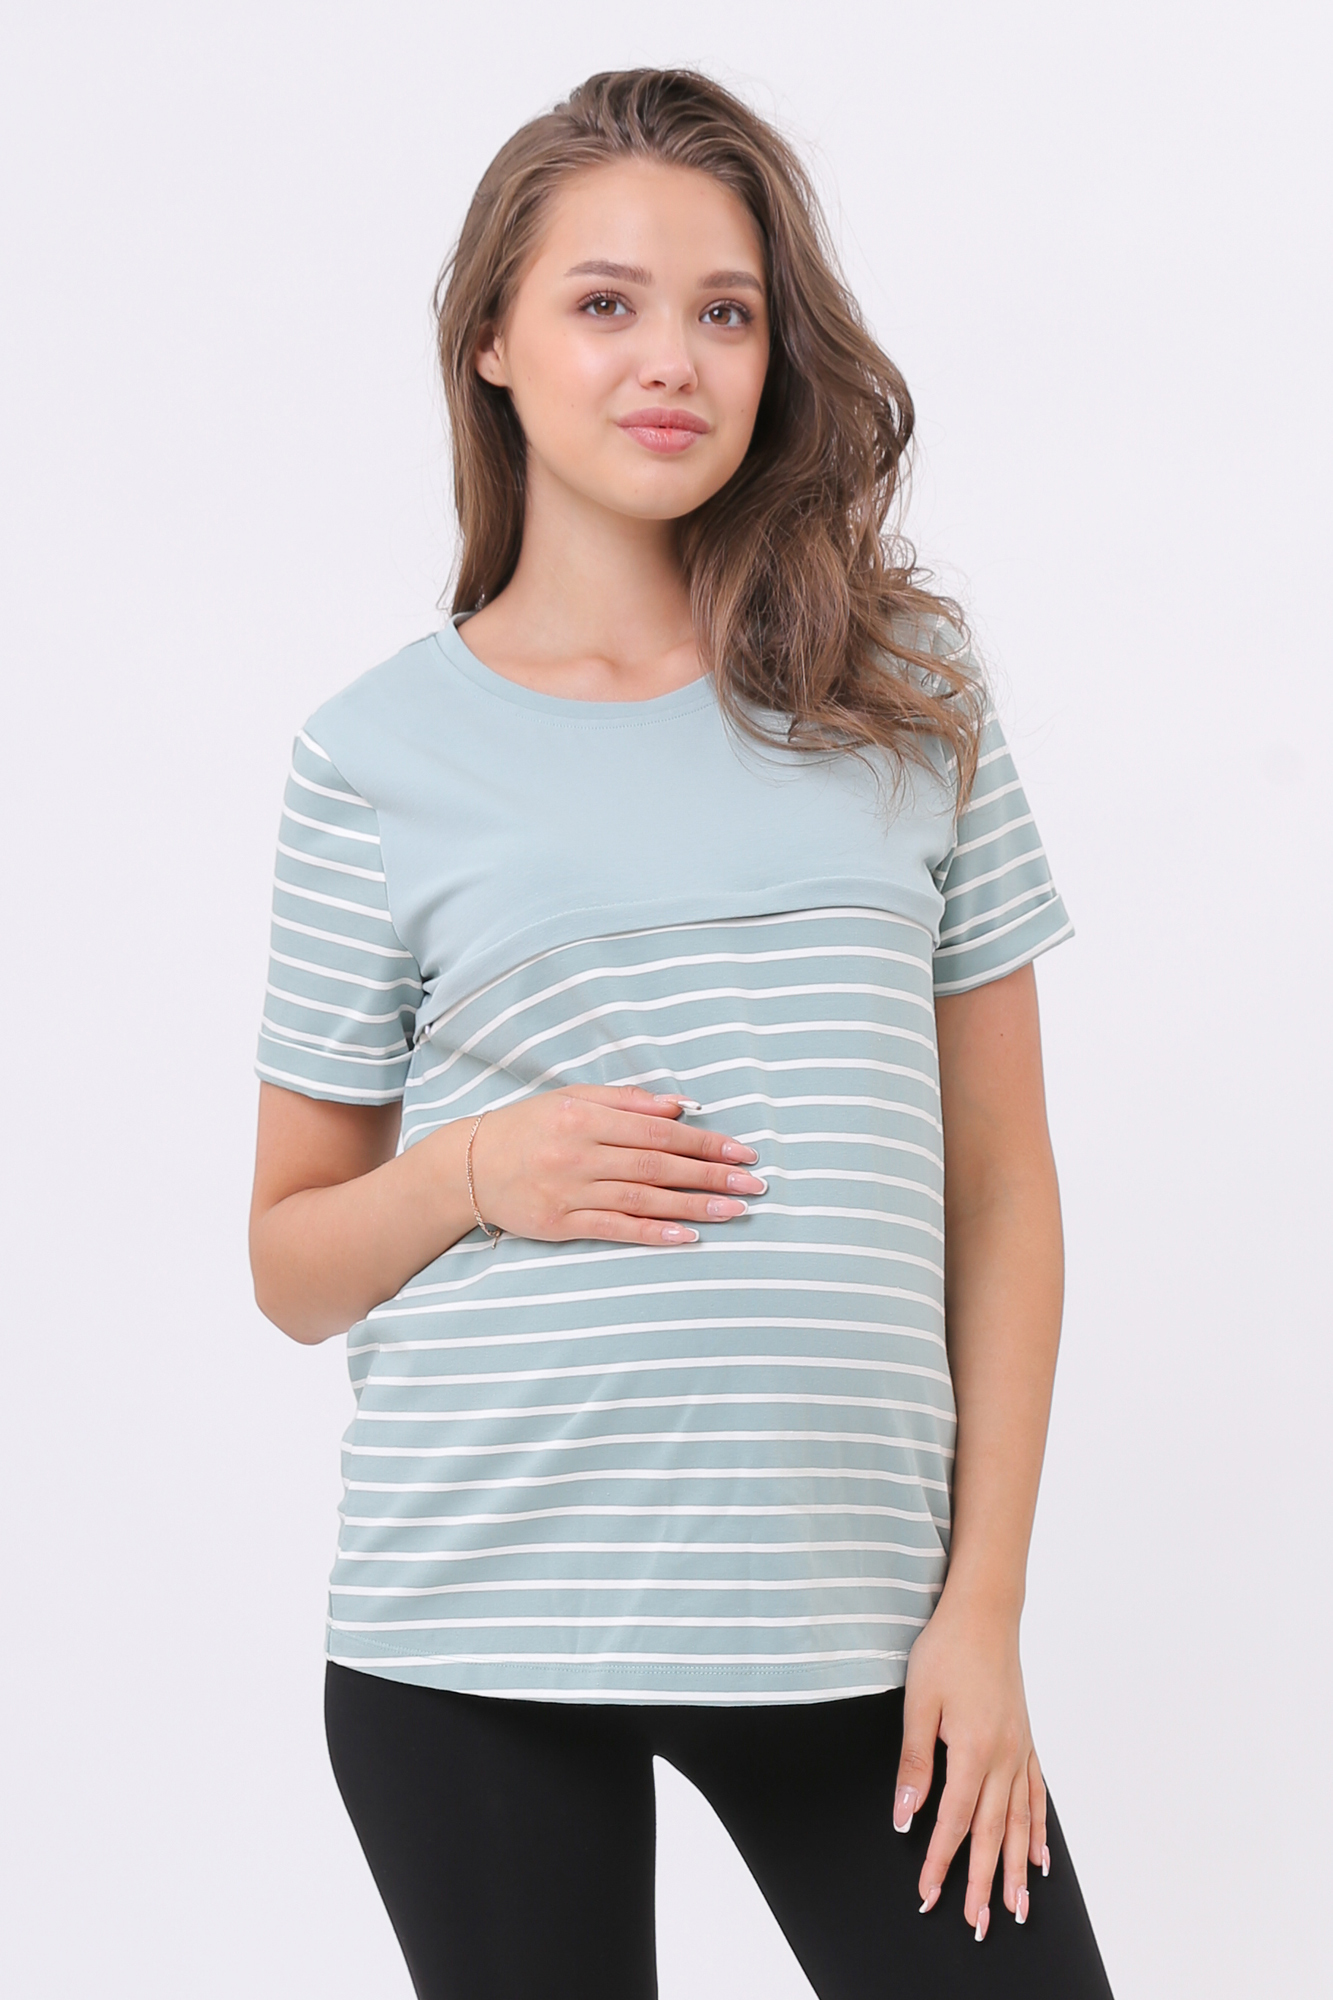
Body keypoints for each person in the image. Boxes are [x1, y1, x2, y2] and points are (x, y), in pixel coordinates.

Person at [248, 66, 1114, 2000]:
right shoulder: (374, 754)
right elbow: (290, 1264)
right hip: (472, 1630)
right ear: (491, 340)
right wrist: (478, 1168)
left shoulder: (905, 693)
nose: (671, 359)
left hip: (862, 1633)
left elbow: (1002, 1178)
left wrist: (980, 1615)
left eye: (725, 309)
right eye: (603, 302)